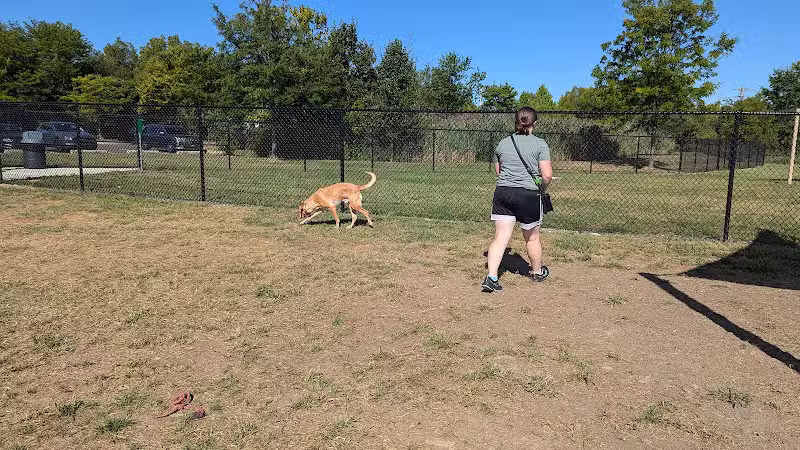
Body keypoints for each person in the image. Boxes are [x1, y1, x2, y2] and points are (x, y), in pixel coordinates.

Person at [482, 107, 553, 292]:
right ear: (534, 123)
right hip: (528, 195)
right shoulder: (540, 144)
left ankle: (491, 277)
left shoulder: (503, 143)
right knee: (532, 238)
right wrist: (541, 189)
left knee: (500, 238)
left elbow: (499, 172)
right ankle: (537, 272)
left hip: (503, 193)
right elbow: (547, 175)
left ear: (516, 121)